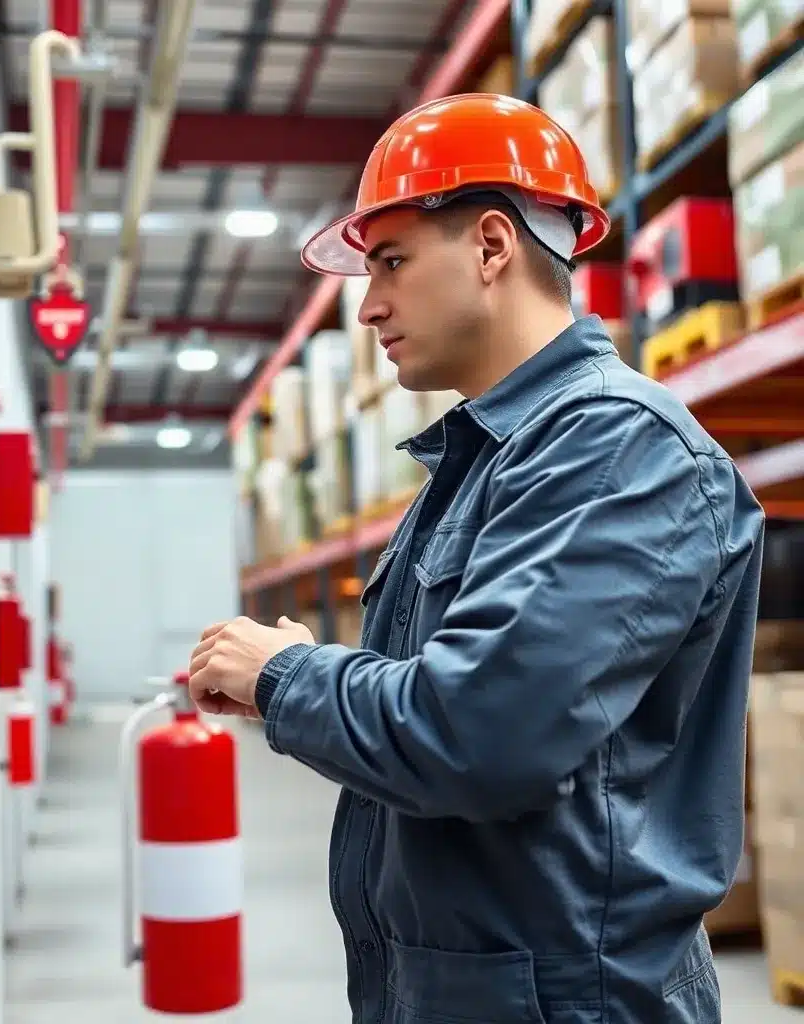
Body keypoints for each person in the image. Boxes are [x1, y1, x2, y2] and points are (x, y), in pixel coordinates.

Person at [188, 94, 764, 1023]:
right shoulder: (488, 462)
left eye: (391, 261)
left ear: (493, 245)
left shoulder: (616, 449)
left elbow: (480, 736)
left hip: (571, 1000)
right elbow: (447, 702)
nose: (369, 304)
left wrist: (287, 677)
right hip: (468, 988)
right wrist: (305, 676)